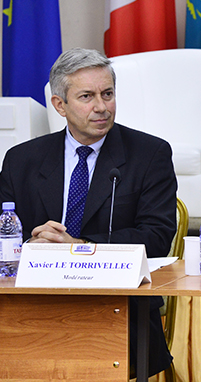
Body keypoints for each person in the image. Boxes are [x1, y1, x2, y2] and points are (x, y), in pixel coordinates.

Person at [0, 48, 176, 376]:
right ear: (60, 105)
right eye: (87, 96)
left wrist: (78, 246)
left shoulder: (149, 154)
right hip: (32, 305)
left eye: (107, 94)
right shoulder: (21, 159)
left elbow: (156, 237)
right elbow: (2, 233)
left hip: (119, 307)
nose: (101, 107)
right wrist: (29, 247)